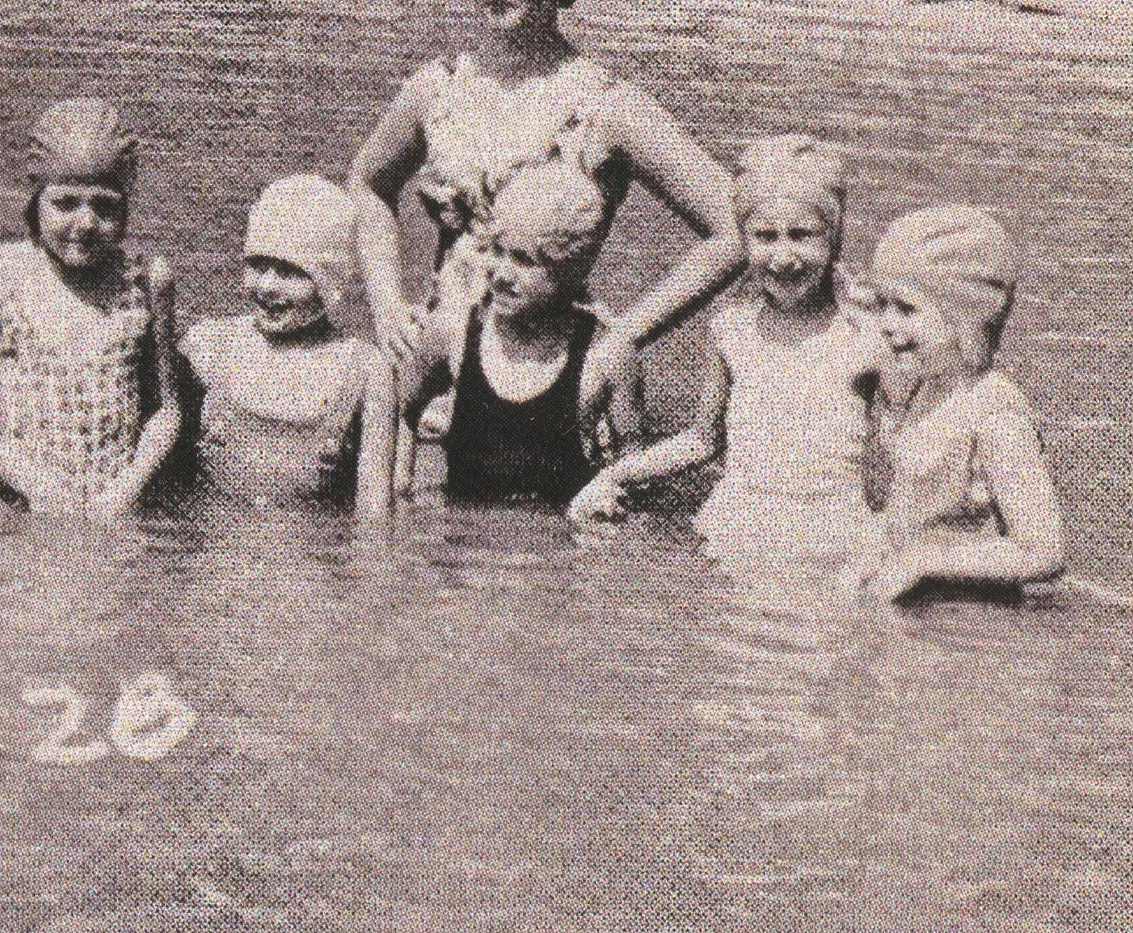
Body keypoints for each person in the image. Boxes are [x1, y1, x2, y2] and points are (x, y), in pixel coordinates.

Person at [347, 0, 742, 429]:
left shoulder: (607, 106)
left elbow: (736, 227)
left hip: (549, 382)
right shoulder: (437, 89)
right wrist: (385, 301)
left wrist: (625, 336)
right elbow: (367, 182)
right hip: (434, 381)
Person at [570, 136, 880, 572]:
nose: (783, 256)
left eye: (803, 235)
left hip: (833, 535)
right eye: (765, 237)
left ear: (835, 237)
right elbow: (702, 440)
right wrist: (614, 475)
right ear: (743, 239)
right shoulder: (733, 328)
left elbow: (901, 449)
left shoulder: (865, 335)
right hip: (740, 525)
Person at [0, 98, 180, 520]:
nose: (84, 223)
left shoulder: (148, 281)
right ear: (35, 199)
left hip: (110, 509)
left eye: (105, 206)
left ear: (127, 206)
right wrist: (29, 479)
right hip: (13, 504)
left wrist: (125, 492)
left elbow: (165, 411)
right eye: (65, 203)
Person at [852, 205, 1064, 601]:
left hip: (970, 627)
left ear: (963, 316)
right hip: (916, 611)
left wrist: (926, 560)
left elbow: (1044, 552)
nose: (885, 323)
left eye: (905, 308)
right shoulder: (929, 387)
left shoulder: (995, 414)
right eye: (882, 305)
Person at [401, 160, 635, 508]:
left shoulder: (606, 355)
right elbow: (400, 411)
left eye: (524, 261)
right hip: (460, 548)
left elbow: (632, 475)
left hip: (556, 552)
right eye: (498, 251)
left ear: (571, 269)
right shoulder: (451, 332)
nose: (501, 275)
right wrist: (399, 489)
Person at [180, 175, 396, 519]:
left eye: (290, 272)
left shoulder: (367, 373)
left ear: (331, 282)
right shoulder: (208, 349)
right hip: (218, 565)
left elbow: (374, 519)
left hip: (313, 567)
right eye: (258, 264)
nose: (267, 286)